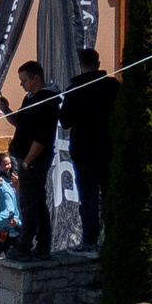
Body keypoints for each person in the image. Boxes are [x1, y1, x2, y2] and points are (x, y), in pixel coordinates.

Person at [5, 61, 62, 259]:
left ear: (36, 78)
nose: (22, 85)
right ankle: (42, 245)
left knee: (28, 203)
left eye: (25, 81)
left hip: (34, 160)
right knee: (37, 202)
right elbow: (21, 123)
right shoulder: (30, 98)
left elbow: (42, 138)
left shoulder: (46, 101)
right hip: (24, 158)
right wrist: (7, 111)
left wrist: (27, 161)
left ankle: (25, 245)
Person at [61, 49, 114, 249]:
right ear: (98, 63)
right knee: (110, 195)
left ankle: (90, 239)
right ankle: (112, 237)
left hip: (84, 152)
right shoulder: (112, 86)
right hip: (108, 149)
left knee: (89, 198)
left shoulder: (74, 90)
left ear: (80, 64)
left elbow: (65, 122)